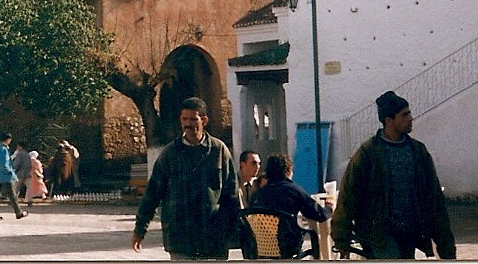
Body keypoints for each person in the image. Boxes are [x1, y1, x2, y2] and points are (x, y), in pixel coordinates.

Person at [331, 90, 455, 260]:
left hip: (411, 231)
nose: (411, 118)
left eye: (409, 112)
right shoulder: (369, 153)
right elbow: (348, 196)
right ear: (389, 121)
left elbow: (434, 197)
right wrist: (341, 238)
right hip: (380, 233)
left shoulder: (418, 151)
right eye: (404, 115)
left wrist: (446, 245)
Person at [132, 96, 239, 260]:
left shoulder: (219, 152)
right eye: (184, 119)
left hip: (213, 236)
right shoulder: (170, 154)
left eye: (193, 119)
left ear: (204, 120)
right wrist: (140, 230)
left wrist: (232, 230)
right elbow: (152, 194)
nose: (188, 124)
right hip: (180, 237)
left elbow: (231, 194)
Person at [250, 153, 332, 258]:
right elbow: (319, 214)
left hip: (261, 247)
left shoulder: (259, 193)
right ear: (288, 171)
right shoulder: (292, 190)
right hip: (287, 246)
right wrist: (329, 207)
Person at [0, 131, 28, 220]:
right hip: (5, 176)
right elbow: (4, 162)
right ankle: (19, 212)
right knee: (12, 195)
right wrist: (9, 171)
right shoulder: (4, 149)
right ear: (8, 140)